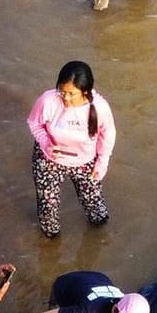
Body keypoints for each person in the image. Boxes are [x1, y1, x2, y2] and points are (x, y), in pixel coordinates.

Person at [26, 61, 116, 239]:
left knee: (96, 210)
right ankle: (51, 245)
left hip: (85, 161)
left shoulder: (99, 108)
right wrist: (46, 144)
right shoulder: (47, 100)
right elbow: (34, 123)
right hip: (49, 159)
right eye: (62, 91)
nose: (65, 98)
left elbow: (108, 135)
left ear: (85, 91)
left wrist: (102, 163)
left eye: (71, 94)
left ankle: (100, 238)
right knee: (48, 210)